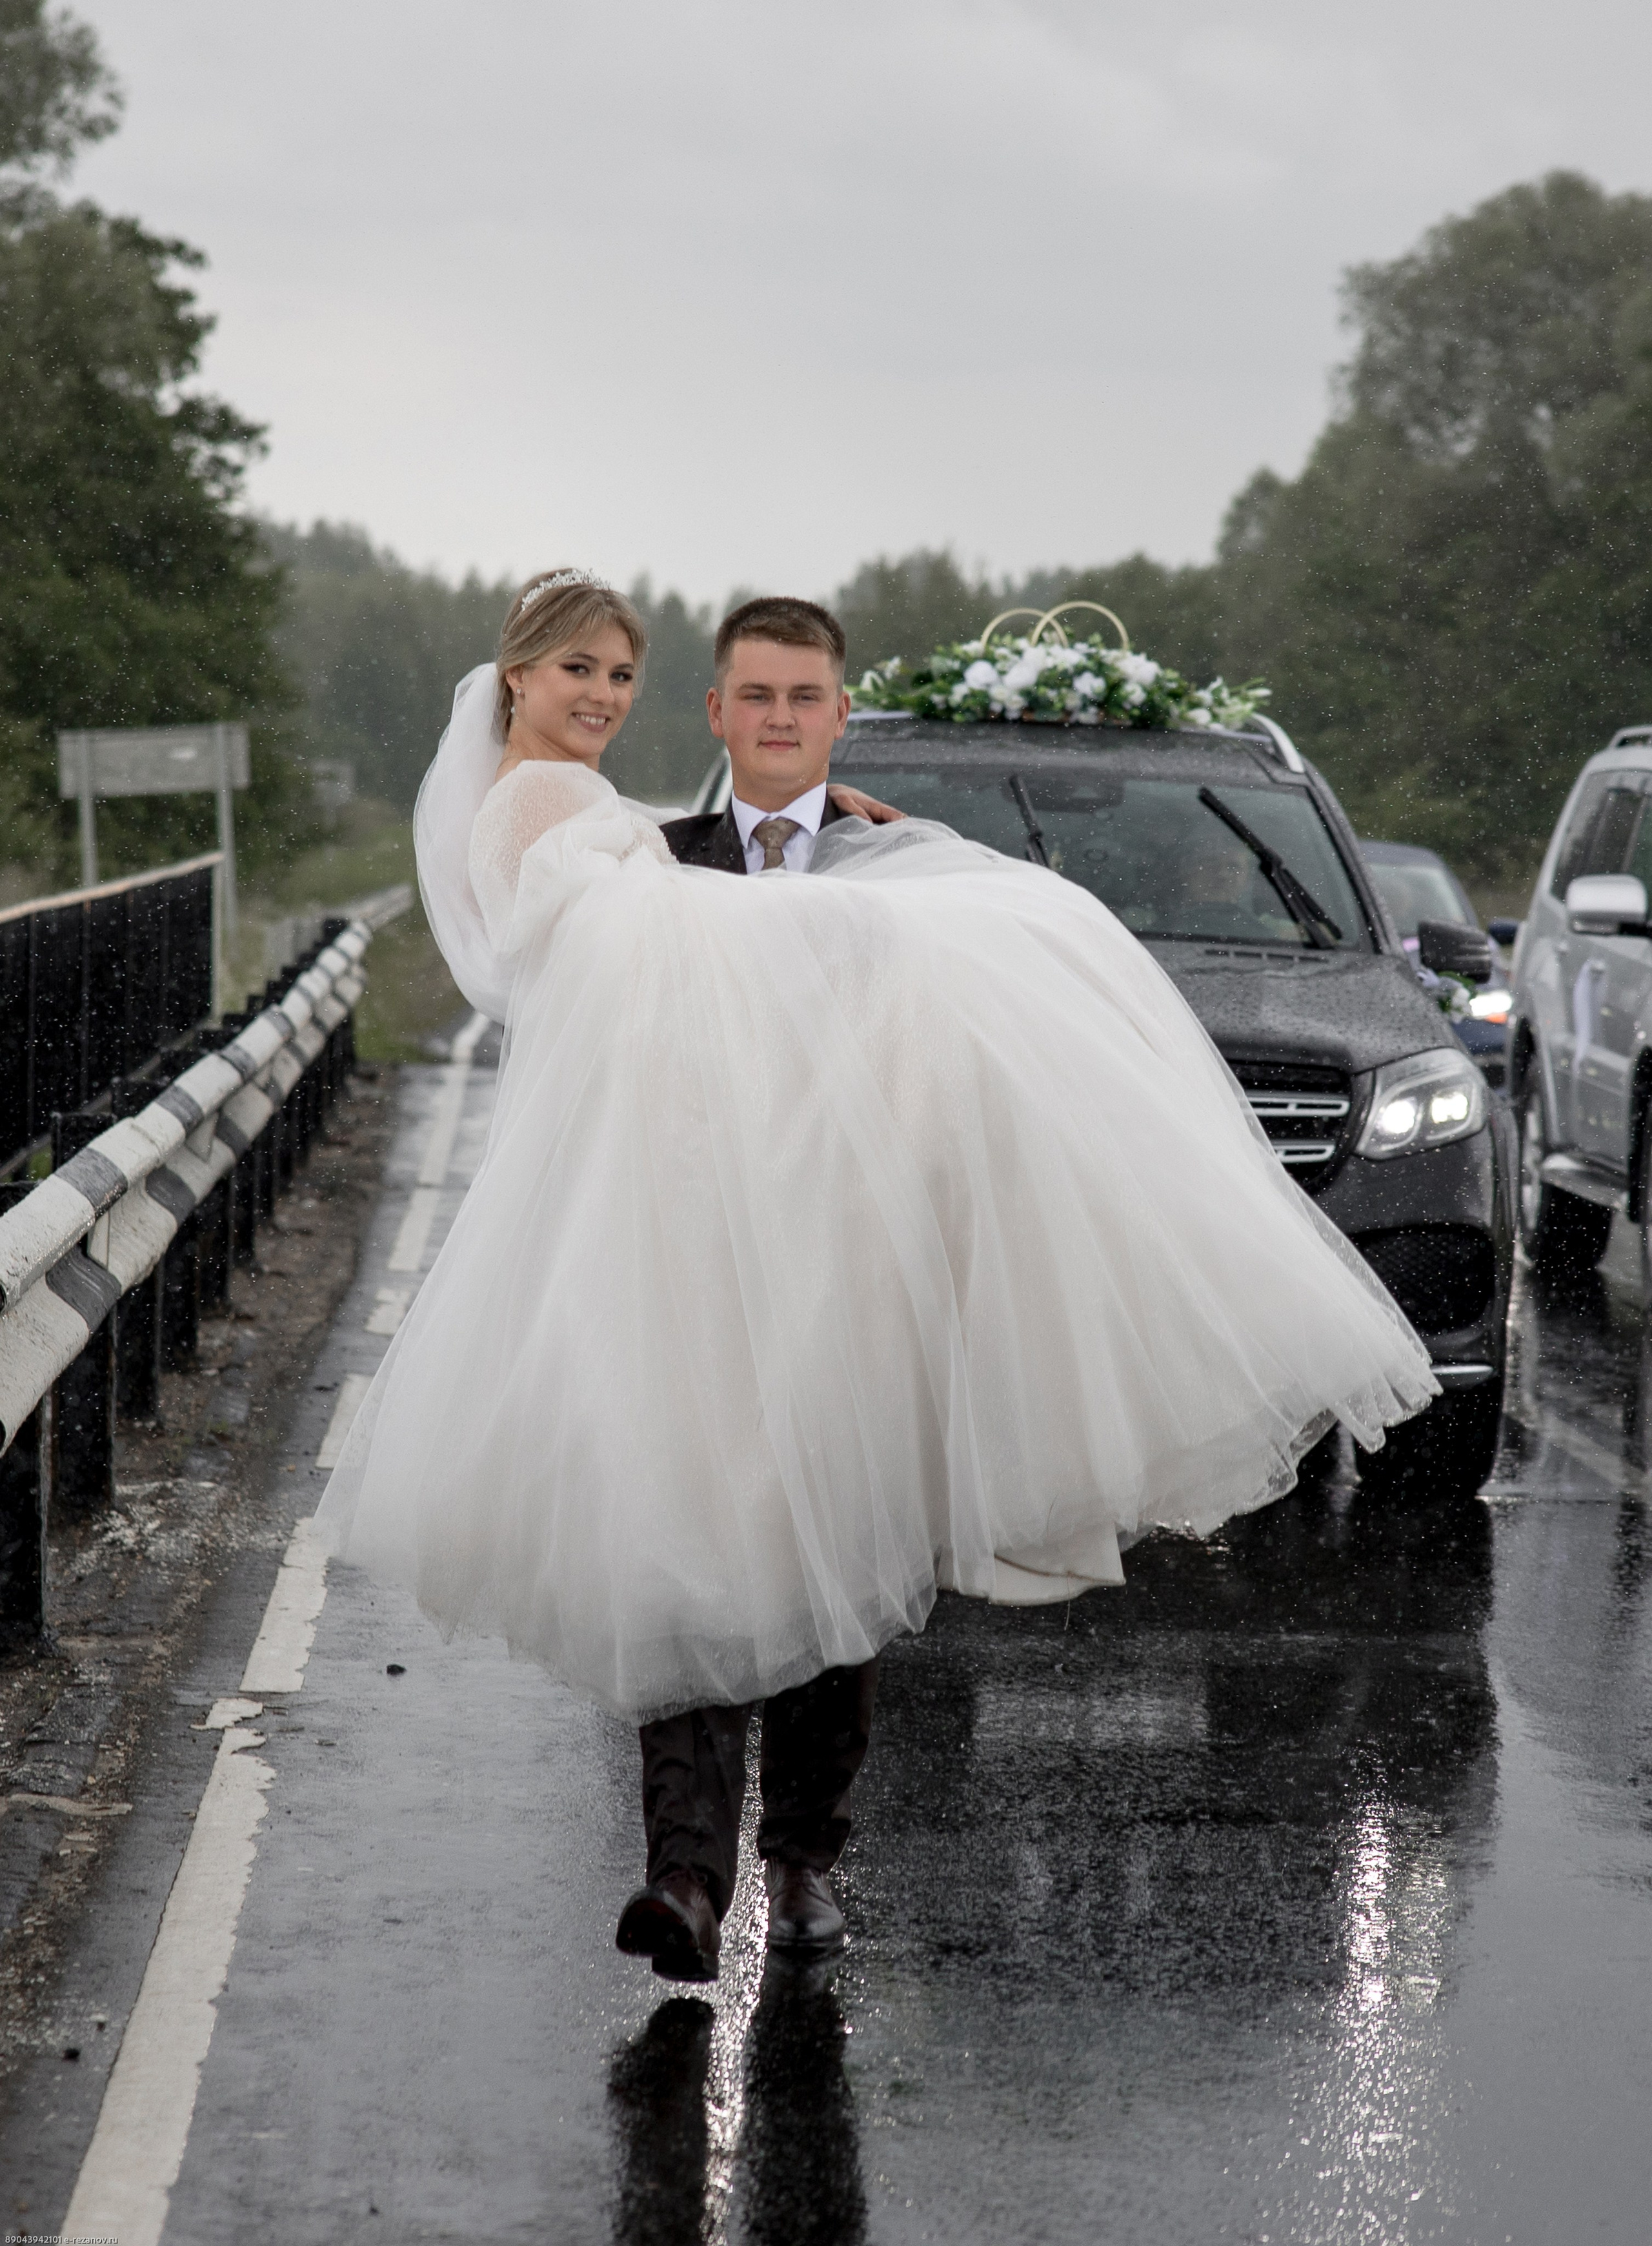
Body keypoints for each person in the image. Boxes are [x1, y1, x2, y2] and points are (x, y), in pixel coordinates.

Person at [318, 569, 1437, 1987]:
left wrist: (890, 873)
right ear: (708, 712)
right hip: (681, 1246)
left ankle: (799, 1859)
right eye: (579, 674)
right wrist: (894, 913)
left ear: (834, 716)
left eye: (617, 676)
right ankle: (684, 1876)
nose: (602, 696)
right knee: (686, 1541)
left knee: (834, 1548)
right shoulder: (626, 847)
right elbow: (664, 965)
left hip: (842, 1253)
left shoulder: (819, 846)